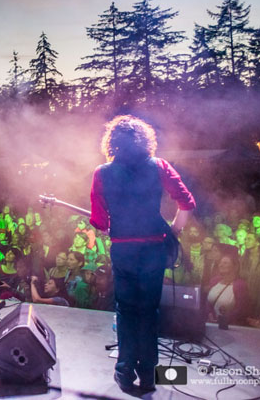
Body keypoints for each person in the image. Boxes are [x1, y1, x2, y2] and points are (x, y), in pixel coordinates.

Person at [89, 115, 195, 394]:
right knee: (149, 311)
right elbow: (187, 202)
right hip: (153, 249)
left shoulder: (101, 173)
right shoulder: (159, 166)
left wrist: (112, 225)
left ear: (113, 142)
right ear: (144, 140)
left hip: (123, 249)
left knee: (126, 310)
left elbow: (99, 222)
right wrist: (174, 230)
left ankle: (124, 373)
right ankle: (148, 375)